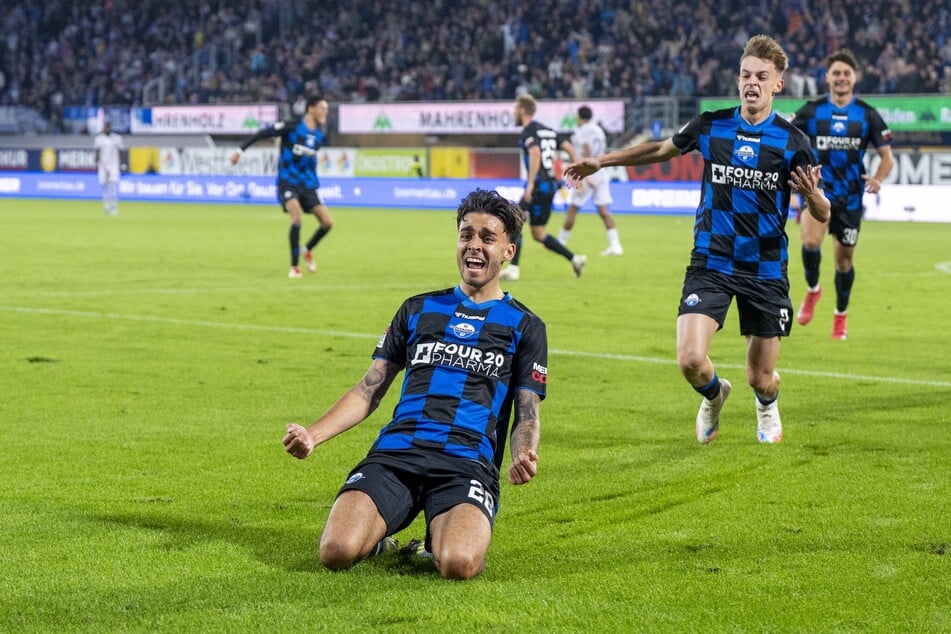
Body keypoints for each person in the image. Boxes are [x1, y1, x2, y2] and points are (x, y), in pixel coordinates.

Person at [564, 34, 831, 444]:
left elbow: (824, 212)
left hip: (764, 270)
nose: (751, 83)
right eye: (745, 74)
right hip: (711, 261)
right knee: (690, 359)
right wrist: (602, 160)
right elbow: (658, 150)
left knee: (760, 378)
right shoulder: (712, 124)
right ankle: (713, 395)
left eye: (762, 76)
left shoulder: (793, 143)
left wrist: (813, 197)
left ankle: (767, 403)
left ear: (778, 84)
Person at [282, 188, 547, 580]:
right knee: (335, 551)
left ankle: (434, 540)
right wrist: (313, 435)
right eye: (465, 235)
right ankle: (379, 537)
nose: (474, 246)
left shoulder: (525, 325)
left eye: (487, 238)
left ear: (509, 250)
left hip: (466, 463)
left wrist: (523, 453)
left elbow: (527, 411)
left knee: (458, 563)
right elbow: (368, 389)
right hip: (398, 453)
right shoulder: (418, 309)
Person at [791, 49, 895, 340]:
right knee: (810, 242)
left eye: (846, 73)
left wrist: (877, 178)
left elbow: (887, 157)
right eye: (836, 73)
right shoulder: (812, 111)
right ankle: (813, 291)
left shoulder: (867, 114)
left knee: (843, 263)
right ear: (827, 78)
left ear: (855, 78)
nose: (841, 78)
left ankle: (840, 315)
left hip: (850, 199)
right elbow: (786, 138)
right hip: (818, 192)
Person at [231, 95, 333, 279]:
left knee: (327, 223)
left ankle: (307, 250)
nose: (325, 112)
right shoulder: (292, 126)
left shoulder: (319, 134)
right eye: (322, 108)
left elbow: (310, 160)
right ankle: (294, 267)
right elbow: (263, 133)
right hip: (288, 181)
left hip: (308, 185)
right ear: (311, 109)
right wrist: (240, 150)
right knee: (296, 217)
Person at [501, 94, 586, 281]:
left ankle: (514, 269)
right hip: (550, 185)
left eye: (516, 109)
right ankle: (575, 259)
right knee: (539, 234)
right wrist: (576, 172)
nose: (514, 112)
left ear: (523, 110)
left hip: (538, 185)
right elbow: (570, 149)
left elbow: (535, 152)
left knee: (513, 220)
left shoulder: (528, 132)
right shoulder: (548, 131)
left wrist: (530, 184)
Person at [558, 106, 624, 256]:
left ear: (579, 117)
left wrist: (585, 177)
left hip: (588, 171)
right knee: (603, 210)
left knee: (573, 208)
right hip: (601, 171)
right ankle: (616, 245)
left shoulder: (580, 132)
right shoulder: (599, 130)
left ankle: (560, 242)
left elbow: (586, 150)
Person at [94, 121, 124, 216]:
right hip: (103, 166)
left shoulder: (117, 138)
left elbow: (121, 151)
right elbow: (97, 152)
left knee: (113, 187)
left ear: (110, 128)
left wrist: (122, 164)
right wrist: (96, 163)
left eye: (107, 127)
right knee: (105, 187)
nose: (106, 129)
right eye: (104, 127)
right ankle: (107, 207)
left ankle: (114, 207)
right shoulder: (98, 139)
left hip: (113, 165)